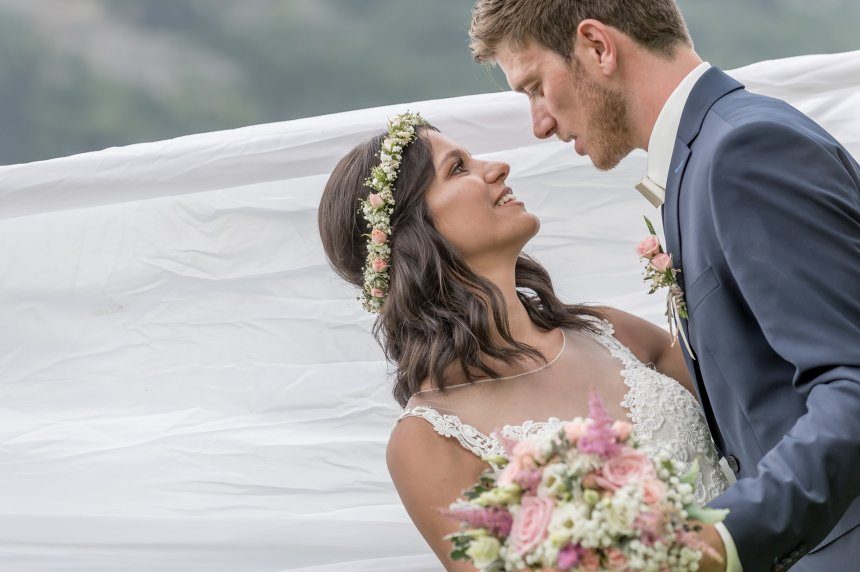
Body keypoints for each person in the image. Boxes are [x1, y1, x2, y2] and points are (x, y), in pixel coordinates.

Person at [468, 0, 860, 570]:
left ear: (598, 47)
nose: (540, 122)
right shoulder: (704, 158)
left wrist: (719, 539)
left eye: (534, 86)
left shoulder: (743, 152)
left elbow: (852, 379)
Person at [318, 112, 730, 570]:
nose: (497, 168)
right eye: (458, 168)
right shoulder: (429, 439)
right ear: (412, 233)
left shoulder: (613, 332)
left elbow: (757, 420)